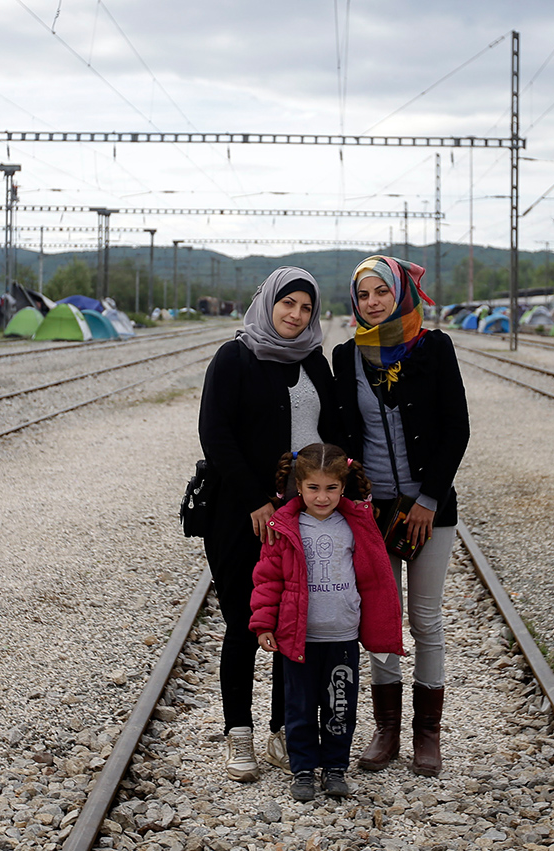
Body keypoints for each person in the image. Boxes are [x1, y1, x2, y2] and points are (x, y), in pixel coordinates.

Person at [198, 267, 344, 782]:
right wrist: (257, 501)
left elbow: (333, 431)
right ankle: (238, 736)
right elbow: (215, 436)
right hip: (241, 516)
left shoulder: (313, 362)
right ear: (267, 302)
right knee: (244, 623)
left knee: (292, 622)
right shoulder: (234, 357)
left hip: (301, 516)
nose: (296, 315)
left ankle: (285, 732)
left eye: (306, 308)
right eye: (288, 304)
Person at [331, 255, 469, 777]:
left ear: (399, 294)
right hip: (373, 512)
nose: (372, 303)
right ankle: (386, 729)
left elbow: (456, 429)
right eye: (363, 296)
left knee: (426, 620)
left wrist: (428, 501)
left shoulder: (435, 348)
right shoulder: (347, 357)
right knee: (382, 619)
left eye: (380, 293)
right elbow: (338, 433)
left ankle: (426, 735)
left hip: (429, 508)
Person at [248, 443, 404, 801]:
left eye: (331, 488)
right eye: (314, 488)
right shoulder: (284, 527)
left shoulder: (355, 525)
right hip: (298, 636)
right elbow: (267, 579)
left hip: (342, 633)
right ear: (298, 487)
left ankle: (335, 767)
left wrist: (379, 624)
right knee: (299, 708)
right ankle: (303, 770)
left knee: (339, 707)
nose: (322, 497)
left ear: (343, 486)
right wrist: (264, 625)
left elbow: (375, 578)